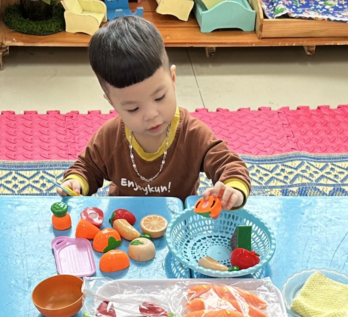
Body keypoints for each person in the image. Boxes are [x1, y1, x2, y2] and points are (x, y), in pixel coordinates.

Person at [58, 15, 250, 208]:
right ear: (112, 103)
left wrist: (232, 190)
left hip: (177, 220)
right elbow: (87, 168)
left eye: (159, 97)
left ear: (173, 78)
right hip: (123, 220)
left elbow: (230, 165)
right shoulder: (109, 138)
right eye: (133, 108)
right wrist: (75, 183)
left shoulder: (192, 134)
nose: (151, 115)